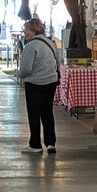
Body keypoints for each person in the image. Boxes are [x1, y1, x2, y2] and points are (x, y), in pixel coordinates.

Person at [17, 18, 63, 152]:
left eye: (26, 29)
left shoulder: (31, 46)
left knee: (34, 113)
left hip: (35, 83)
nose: (25, 32)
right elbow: (57, 61)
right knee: (47, 112)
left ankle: (35, 144)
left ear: (32, 30)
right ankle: (50, 143)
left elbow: (26, 69)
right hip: (51, 82)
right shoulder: (50, 42)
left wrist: (19, 75)